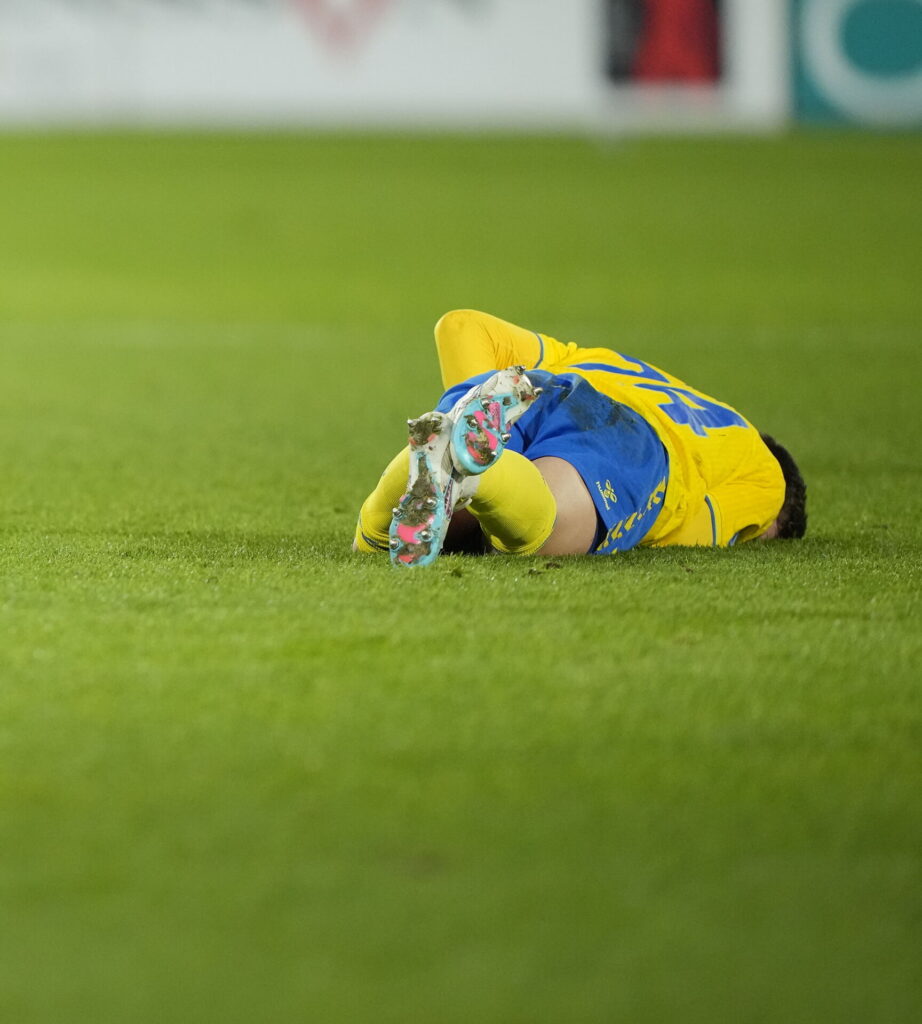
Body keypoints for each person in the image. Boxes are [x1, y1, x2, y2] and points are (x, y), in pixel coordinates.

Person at [354, 310, 807, 568]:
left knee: (386, 539)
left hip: (547, 384)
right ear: (775, 526)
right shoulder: (767, 476)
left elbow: (459, 327)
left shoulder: (617, 363)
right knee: (545, 530)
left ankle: (457, 445)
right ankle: (475, 474)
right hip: (630, 439)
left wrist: (475, 394)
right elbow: (697, 531)